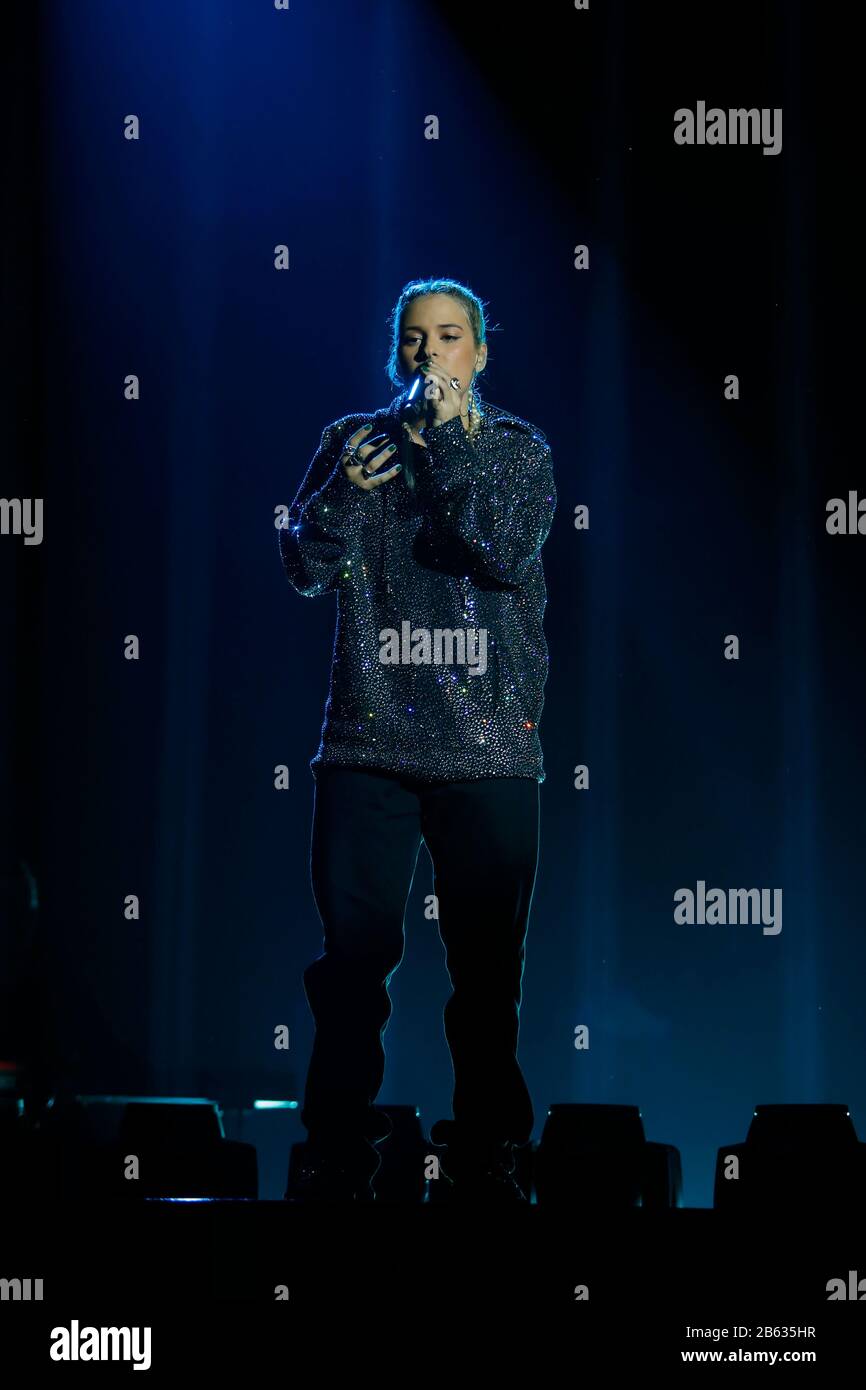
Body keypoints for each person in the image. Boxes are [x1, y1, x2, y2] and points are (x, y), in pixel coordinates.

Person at [278, 277, 556, 1203]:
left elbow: (499, 551)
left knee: (485, 976)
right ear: (394, 352)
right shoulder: (353, 444)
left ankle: (486, 1158)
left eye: (449, 336)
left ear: (480, 351)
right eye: (414, 338)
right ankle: (336, 1158)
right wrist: (347, 494)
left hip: (488, 743)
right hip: (370, 738)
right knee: (352, 967)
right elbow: (307, 569)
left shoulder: (518, 450)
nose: (430, 352)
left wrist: (443, 452)